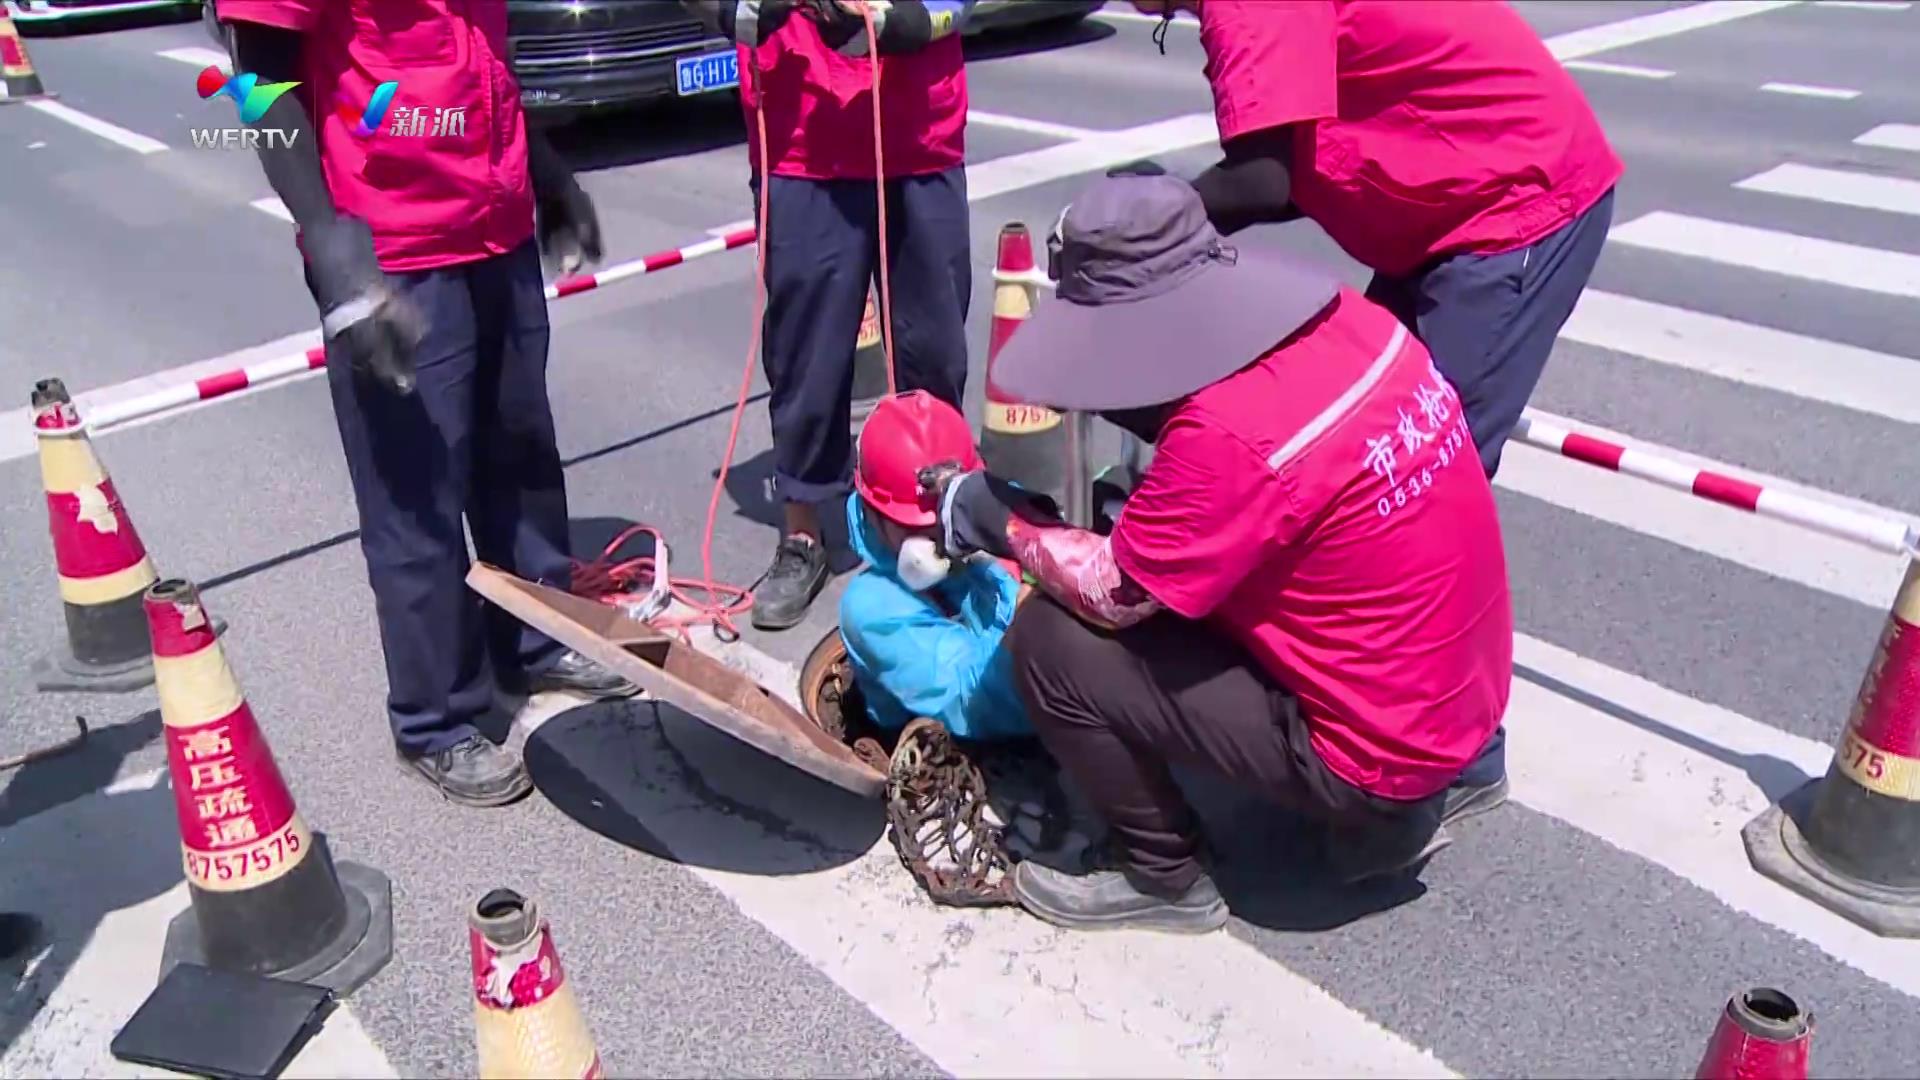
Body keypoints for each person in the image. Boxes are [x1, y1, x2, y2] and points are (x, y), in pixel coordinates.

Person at [920, 174, 1515, 934]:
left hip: (1377, 767)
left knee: (1051, 642)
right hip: (1459, 704)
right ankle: (1462, 771)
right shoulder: (1353, 322)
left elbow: (1113, 590)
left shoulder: (1227, 437)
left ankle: (1163, 875)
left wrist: (998, 518)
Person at [1138, 0, 1619, 809]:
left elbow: (1262, 178)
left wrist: (1157, 215)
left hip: (1508, 209)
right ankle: (1345, 690)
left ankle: (1457, 754)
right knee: (1358, 447)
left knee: (1423, 473)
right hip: (1443, 208)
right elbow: (1300, 160)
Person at [214, 0, 638, 809]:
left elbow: (479, 56)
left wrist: (545, 172)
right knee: (415, 493)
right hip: (394, 247)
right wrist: (332, 245)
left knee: (519, 454)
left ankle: (535, 635)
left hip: (496, 223)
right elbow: (259, 78)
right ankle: (435, 716)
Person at [680, 0, 977, 630]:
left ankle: (933, 527)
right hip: (801, 138)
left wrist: (924, 20)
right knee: (806, 355)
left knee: (935, 351)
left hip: (919, 128)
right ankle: (805, 532)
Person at [839, 390, 1032, 743]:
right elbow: (974, 703)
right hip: (970, 735)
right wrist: (1027, 621)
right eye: (918, 526)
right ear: (875, 514)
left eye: (951, 513)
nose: (943, 534)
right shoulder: (873, 609)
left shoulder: (996, 513)